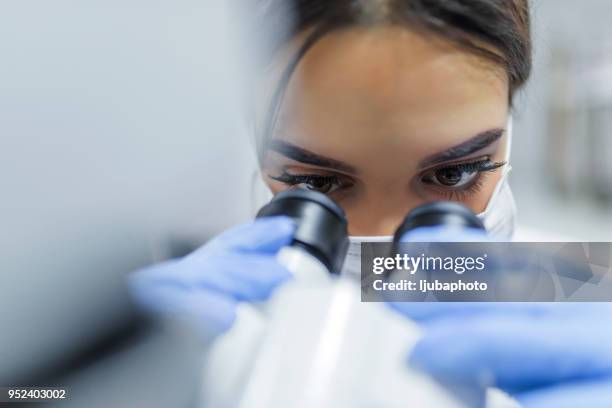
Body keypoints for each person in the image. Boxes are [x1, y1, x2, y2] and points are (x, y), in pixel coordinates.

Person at [129, 1, 612, 406]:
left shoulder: (589, 297)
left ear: (509, 116)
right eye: (317, 183)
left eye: (453, 173)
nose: (393, 249)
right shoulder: (181, 328)